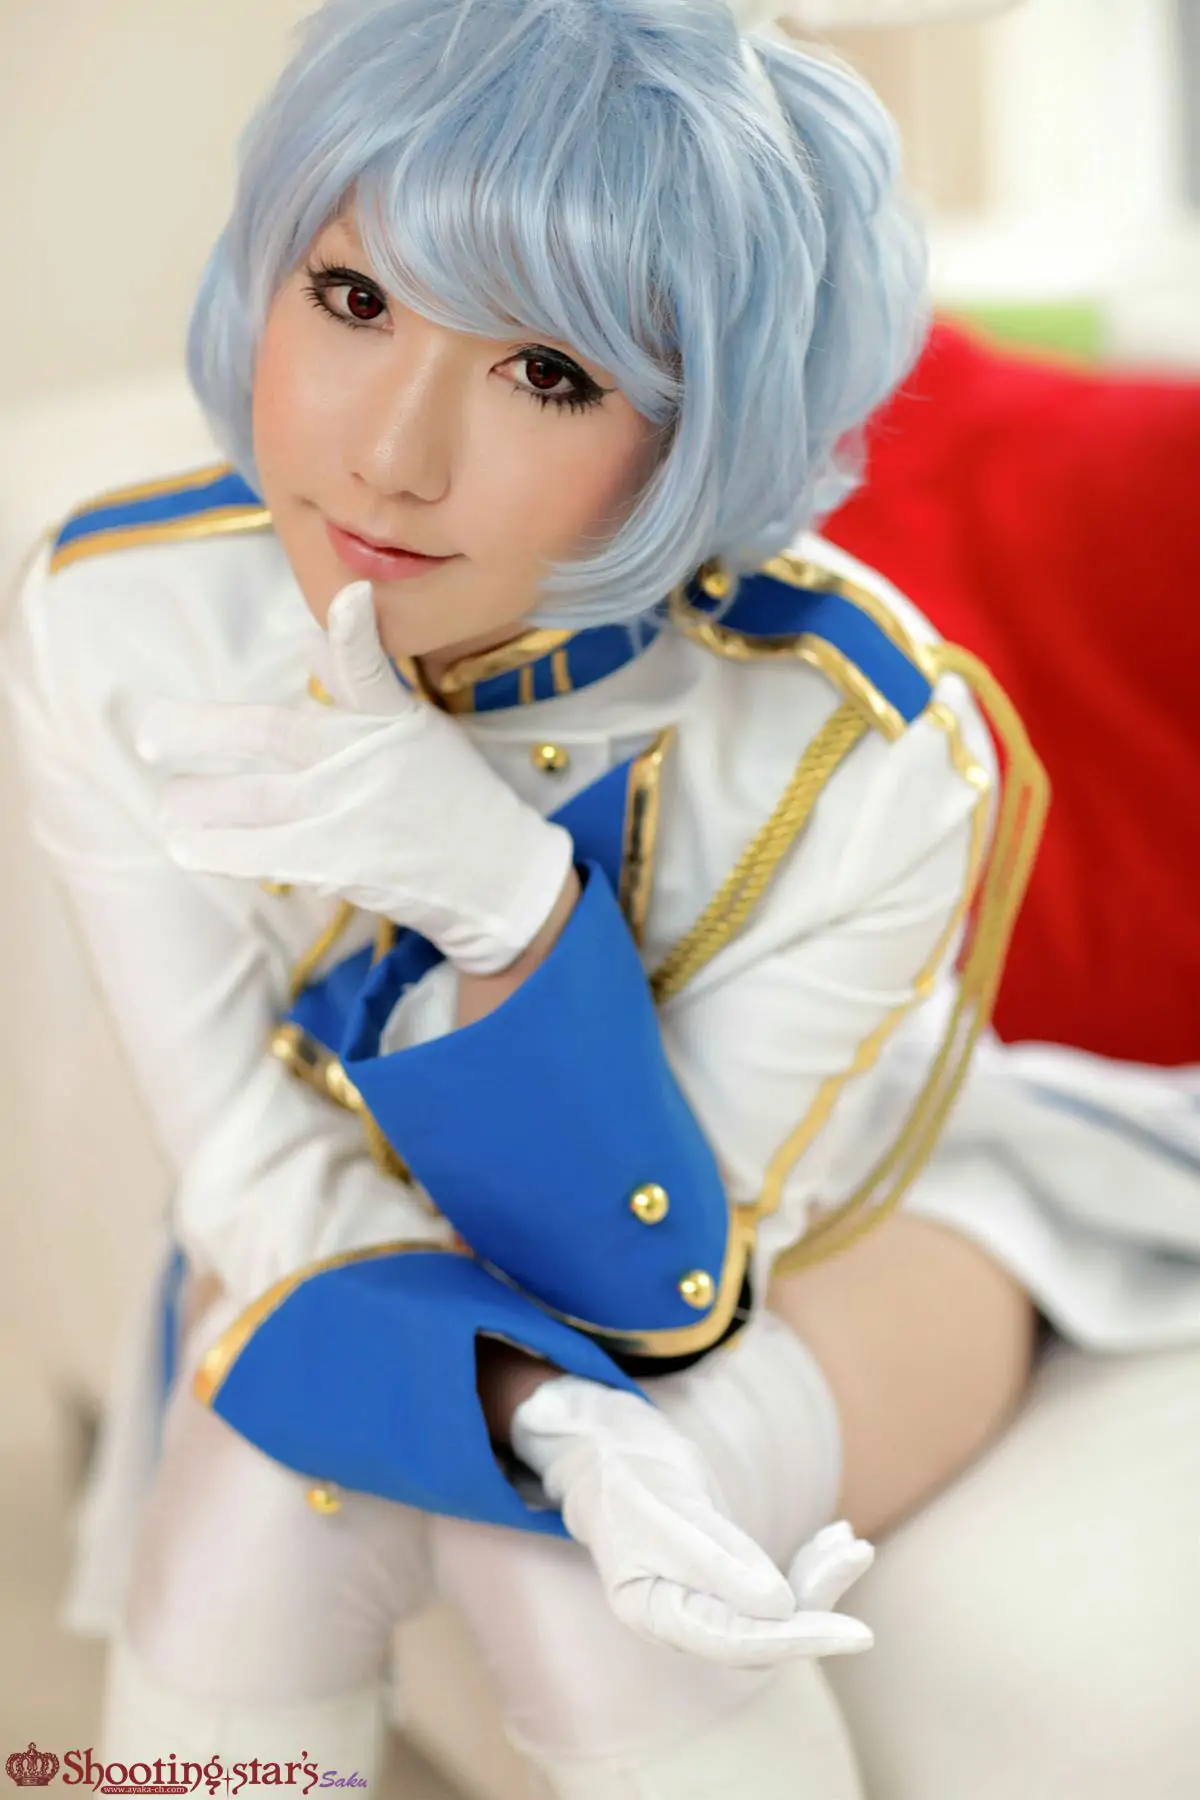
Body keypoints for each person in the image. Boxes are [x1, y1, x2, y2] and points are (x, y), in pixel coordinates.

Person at [0, 2, 1055, 1796]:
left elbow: (655, 1280)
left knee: (568, 1577)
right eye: (353, 297)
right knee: (274, 1493)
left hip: (861, 1217)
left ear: (704, 421)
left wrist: (504, 901)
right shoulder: (122, 624)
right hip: (414, 1259)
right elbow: (249, 1174)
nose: (389, 455)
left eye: (548, 371)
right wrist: (530, 1409)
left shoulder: (864, 748)